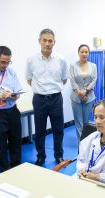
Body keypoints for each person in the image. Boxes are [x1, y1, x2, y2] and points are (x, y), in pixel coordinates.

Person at [25, 27, 68, 166]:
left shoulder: (61, 60)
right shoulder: (31, 60)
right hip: (39, 100)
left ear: (54, 42)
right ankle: (40, 156)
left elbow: (64, 79)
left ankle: (59, 155)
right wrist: (41, 90)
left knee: (58, 130)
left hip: (56, 98)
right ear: (39, 41)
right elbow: (29, 79)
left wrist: (52, 89)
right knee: (39, 131)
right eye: (45, 40)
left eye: (50, 41)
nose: (47, 43)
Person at [69, 44, 97, 144]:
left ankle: (86, 142)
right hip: (76, 97)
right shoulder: (73, 65)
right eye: (82, 52)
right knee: (78, 122)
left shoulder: (93, 66)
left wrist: (86, 91)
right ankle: (80, 144)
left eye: (86, 52)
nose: (84, 54)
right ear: (78, 53)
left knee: (86, 122)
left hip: (89, 97)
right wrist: (79, 92)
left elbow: (94, 80)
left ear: (88, 53)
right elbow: (72, 79)